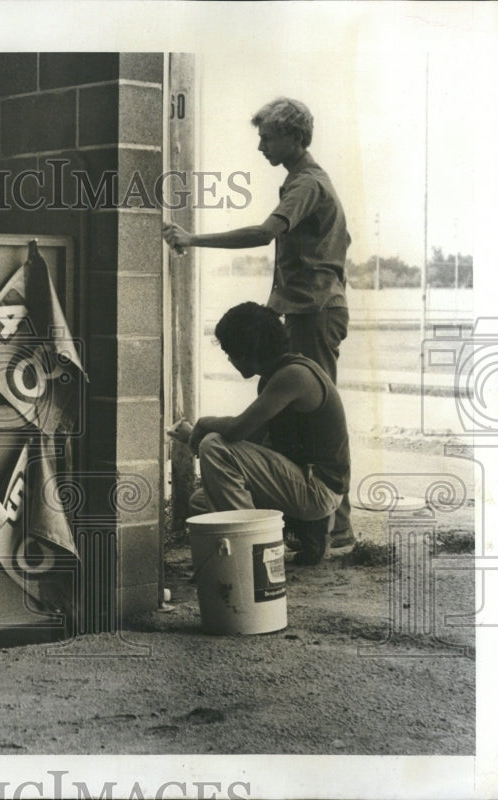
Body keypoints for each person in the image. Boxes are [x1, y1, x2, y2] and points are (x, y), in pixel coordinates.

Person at [164, 97, 354, 547]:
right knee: (293, 416)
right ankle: (310, 523)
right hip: (306, 307)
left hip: (315, 310)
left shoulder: (306, 184)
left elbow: (264, 234)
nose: (261, 146)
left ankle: (334, 528)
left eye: (267, 137)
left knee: (319, 419)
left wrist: (192, 239)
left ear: (294, 136)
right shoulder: (303, 182)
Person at [187, 302, 350, 565]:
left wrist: (205, 423)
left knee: (214, 447)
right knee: (201, 504)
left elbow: (239, 428)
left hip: (318, 488)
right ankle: (299, 530)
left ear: (249, 351)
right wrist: (193, 436)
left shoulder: (294, 375)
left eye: (231, 352)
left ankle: (255, 552)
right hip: (304, 483)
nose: (229, 359)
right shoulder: (276, 375)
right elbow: (249, 440)